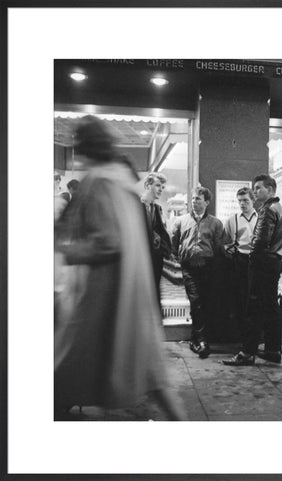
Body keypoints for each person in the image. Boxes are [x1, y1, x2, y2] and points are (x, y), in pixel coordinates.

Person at [54, 115, 185, 420]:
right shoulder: (121, 181)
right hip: (130, 293)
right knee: (152, 374)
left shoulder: (99, 182)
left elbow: (108, 241)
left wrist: (65, 250)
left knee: (75, 365)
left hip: (104, 296)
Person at [224, 174, 282, 366]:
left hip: (262, 265)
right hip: (274, 263)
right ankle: (273, 350)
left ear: (270, 190)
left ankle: (247, 353)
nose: (255, 191)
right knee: (271, 308)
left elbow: (260, 241)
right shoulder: (281, 209)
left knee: (253, 309)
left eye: (259, 188)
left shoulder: (267, 210)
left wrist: (253, 259)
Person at [171, 186, 224, 359]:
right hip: (189, 267)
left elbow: (218, 247)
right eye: (193, 199)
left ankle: (197, 338)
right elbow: (174, 242)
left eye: (198, 199)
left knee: (206, 302)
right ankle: (201, 340)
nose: (194, 202)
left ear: (207, 202)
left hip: (208, 267)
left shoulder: (216, 223)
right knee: (195, 301)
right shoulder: (181, 221)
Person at [223, 187, 258, 339]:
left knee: (255, 299)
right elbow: (225, 242)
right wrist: (229, 250)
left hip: (256, 262)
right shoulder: (233, 220)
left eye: (246, 200)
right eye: (240, 201)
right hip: (239, 261)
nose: (242, 204)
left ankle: (254, 336)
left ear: (253, 200)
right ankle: (242, 336)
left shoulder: (260, 218)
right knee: (239, 299)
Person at [141, 172, 172, 299]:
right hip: (140, 259)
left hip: (155, 259)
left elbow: (161, 231)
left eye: (162, 187)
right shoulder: (135, 206)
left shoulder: (157, 208)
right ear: (148, 185)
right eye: (158, 185)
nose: (161, 190)